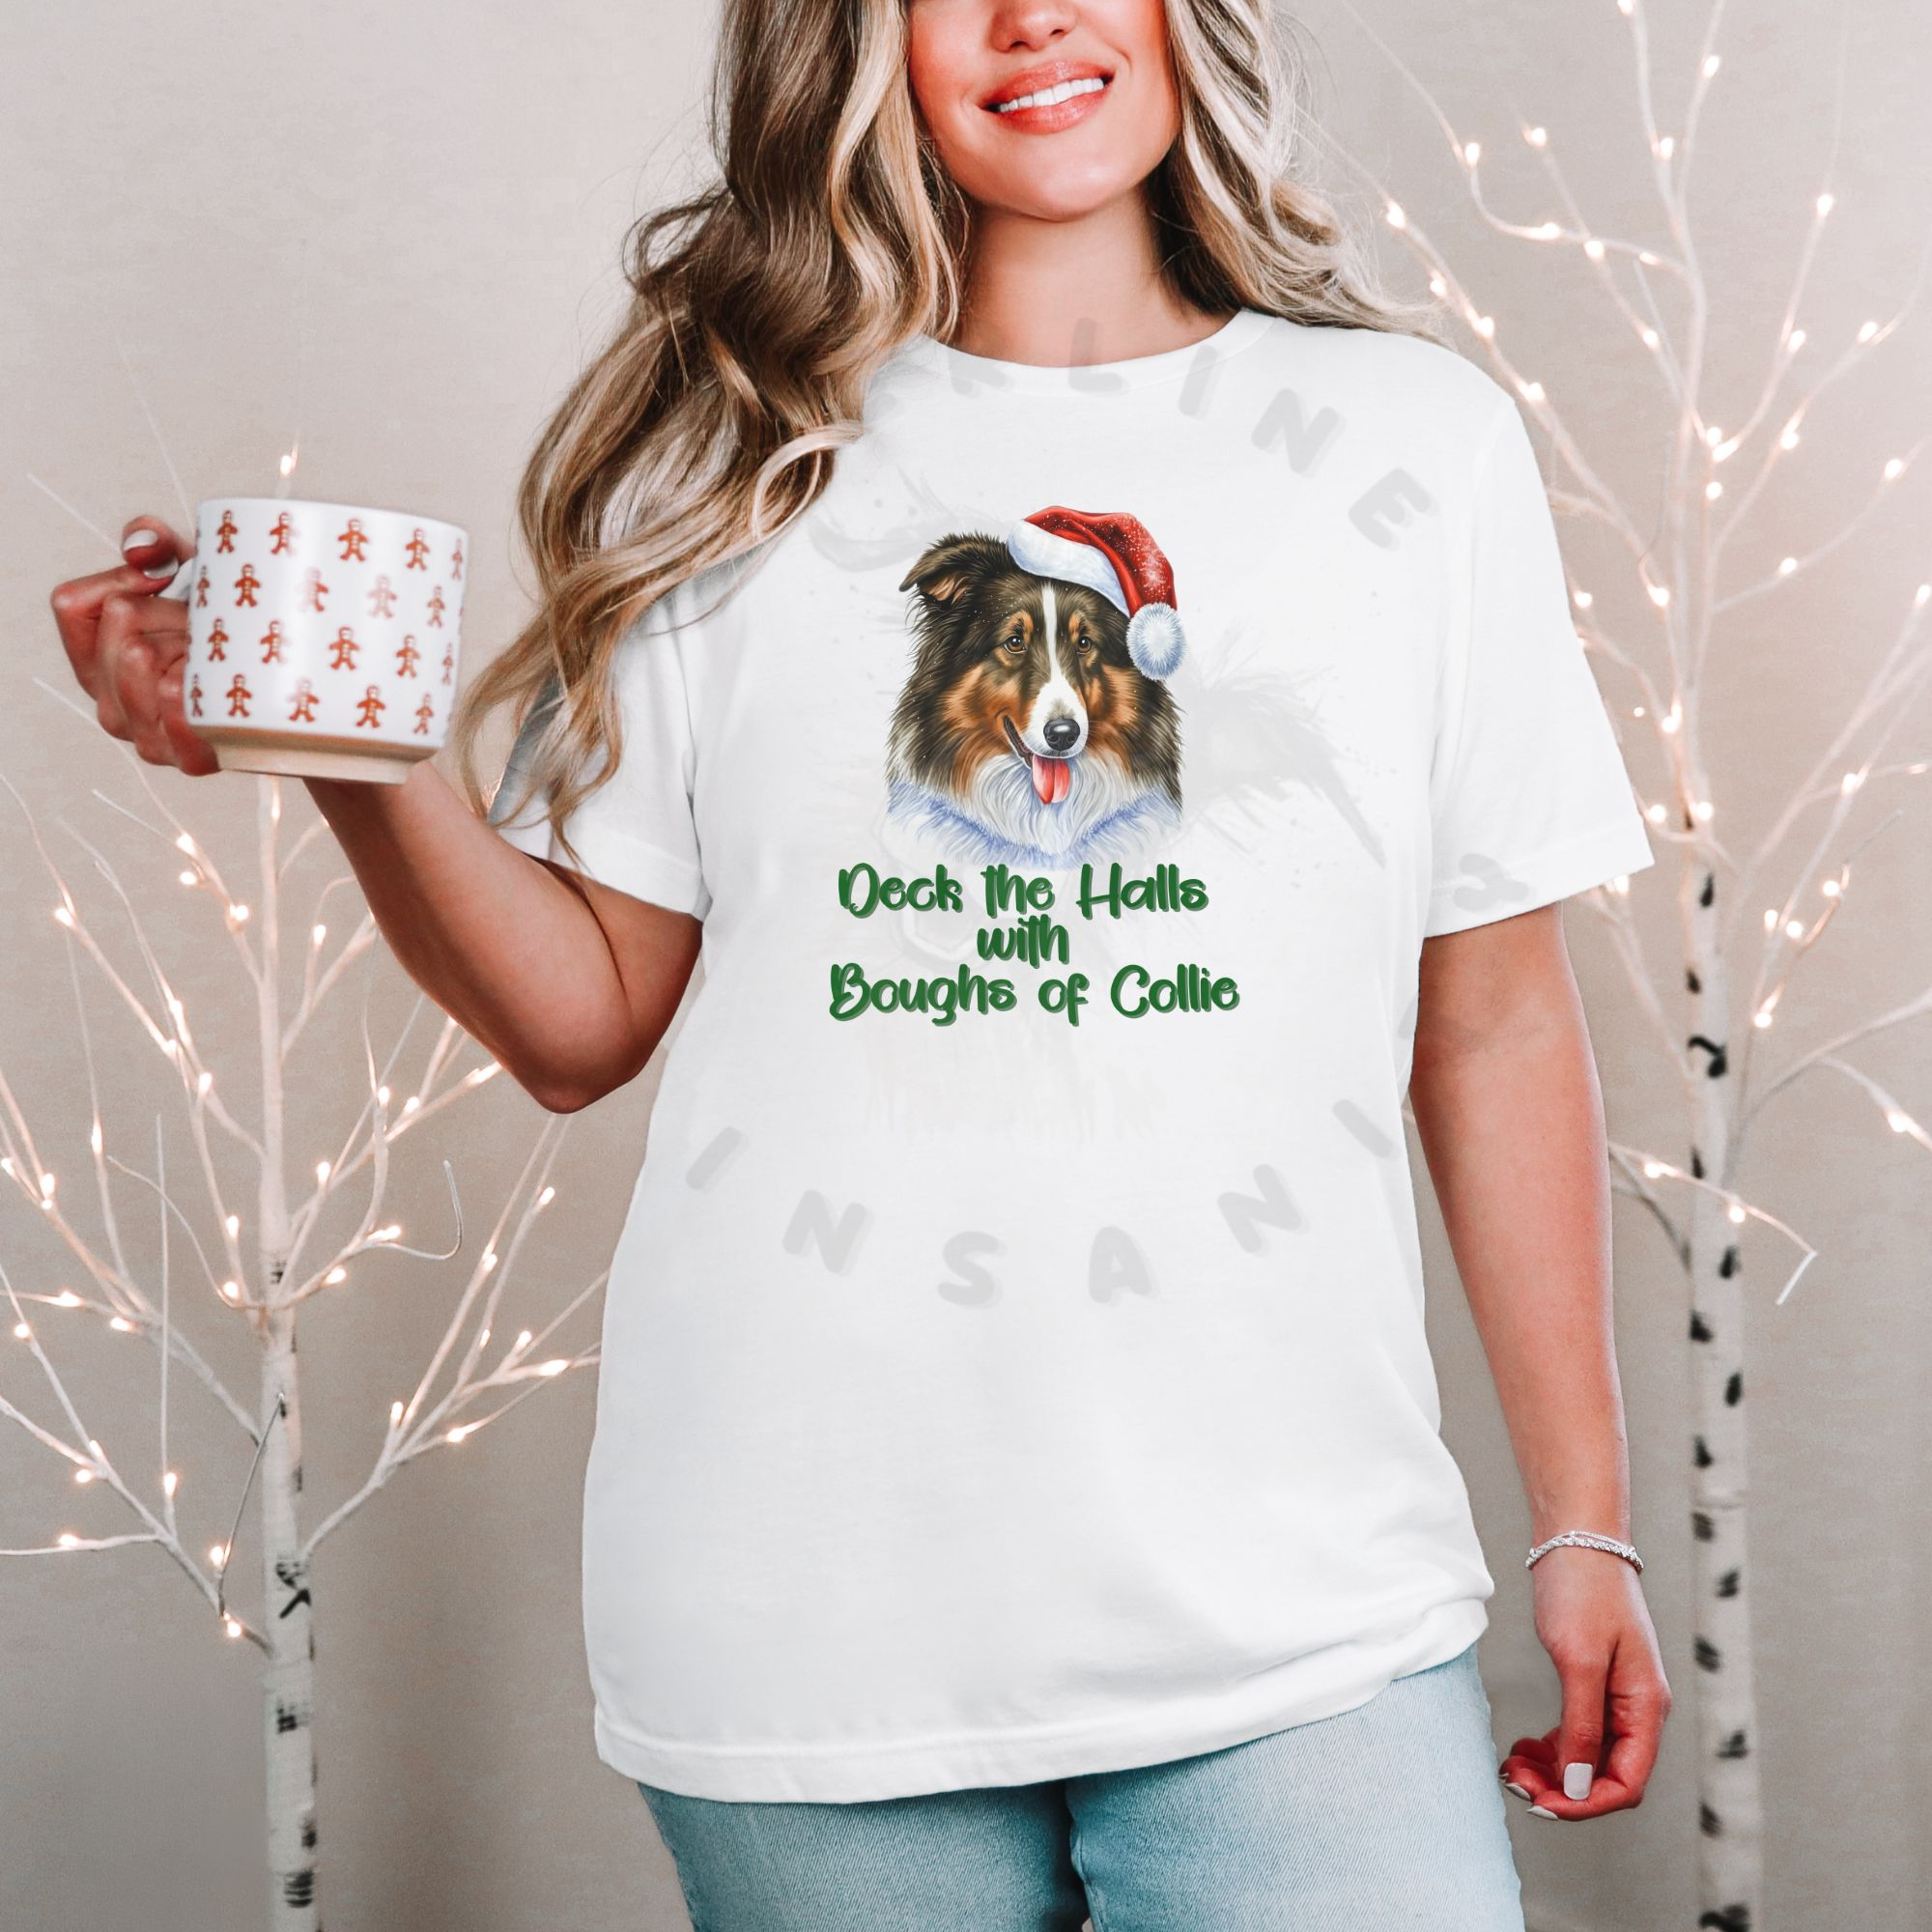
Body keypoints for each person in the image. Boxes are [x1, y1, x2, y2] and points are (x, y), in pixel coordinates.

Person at [48, 0, 1673, 1924]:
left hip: (1294, 1596)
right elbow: (581, 1023)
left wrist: (1587, 1523)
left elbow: (1485, 1026)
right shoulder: (730, 450)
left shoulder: (1420, 446)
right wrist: (339, 747)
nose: (1030, 18)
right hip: (800, 1599)